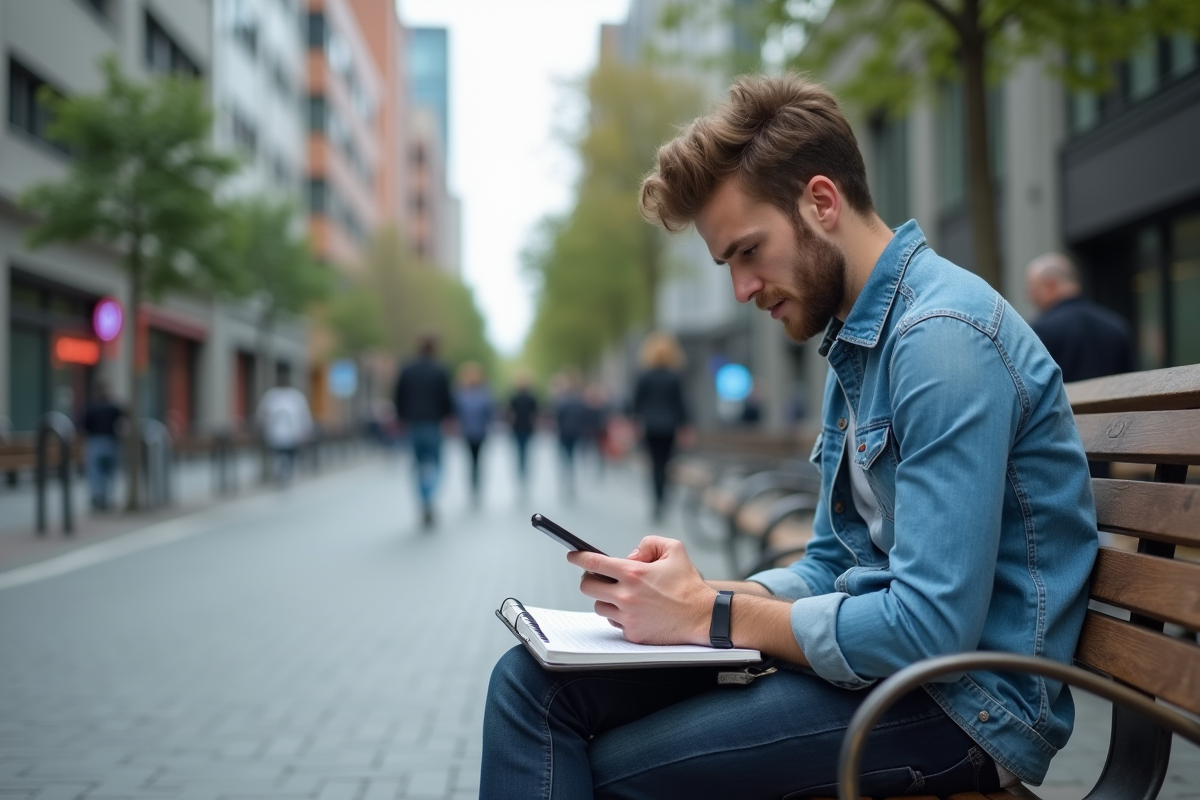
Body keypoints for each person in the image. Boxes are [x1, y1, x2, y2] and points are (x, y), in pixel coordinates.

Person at [481, 73, 1098, 798]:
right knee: (530, 683)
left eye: (748, 251)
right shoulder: (858, 341)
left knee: (616, 770)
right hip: (892, 673)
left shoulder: (941, 342)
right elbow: (832, 562)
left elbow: (930, 629)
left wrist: (711, 615)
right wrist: (694, 591)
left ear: (821, 202)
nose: (742, 289)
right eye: (727, 265)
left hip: (962, 705)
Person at [1026, 252, 1135, 479]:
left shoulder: (1040, 332)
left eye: (1033, 289)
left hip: (1061, 460)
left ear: (1051, 284)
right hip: (1111, 450)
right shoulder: (1117, 326)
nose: (1030, 296)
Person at [393, 334, 454, 528]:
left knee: (418, 465)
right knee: (437, 464)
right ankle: (430, 497)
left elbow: (399, 396)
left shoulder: (407, 369)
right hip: (433, 424)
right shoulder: (440, 370)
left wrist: (401, 418)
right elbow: (447, 398)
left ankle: (423, 498)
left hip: (413, 424)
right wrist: (449, 417)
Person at [631, 332, 692, 523]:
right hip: (670, 427)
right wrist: (685, 427)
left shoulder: (644, 376)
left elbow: (636, 403)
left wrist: (635, 423)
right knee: (666, 464)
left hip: (650, 426)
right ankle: (663, 499)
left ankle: (657, 501)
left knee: (655, 465)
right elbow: (681, 404)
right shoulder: (675, 377)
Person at [255, 373, 313, 487]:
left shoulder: (292, 397)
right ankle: (280, 473)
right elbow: (262, 414)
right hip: (278, 434)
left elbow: (304, 416)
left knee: (286, 455)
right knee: (280, 455)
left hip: (288, 434)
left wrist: (305, 431)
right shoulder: (273, 396)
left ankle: (285, 473)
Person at [454, 361, 494, 508]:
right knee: (472, 462)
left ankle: (476, 488)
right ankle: (474, 488)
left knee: (476, 462)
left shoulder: (480, 393)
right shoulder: (462, 393)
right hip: (469, 433)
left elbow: (489, 413)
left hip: (478, 433)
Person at [80, 380, 124, 510]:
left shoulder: (91, 407)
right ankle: (108, 499)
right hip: (111, 442)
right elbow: (122, 421)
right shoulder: (113, 407)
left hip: (95, 442)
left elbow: (83, 426)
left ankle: (97, 497)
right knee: (110, 474)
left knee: (95, 473)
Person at [553, 371, 587, 501]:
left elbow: (558, 417)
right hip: (575, 432)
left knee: (564, 457)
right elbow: (583, 417)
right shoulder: (579, 402)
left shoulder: (561, 402)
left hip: (564, 433)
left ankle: (565, 480)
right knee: (571, 456)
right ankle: (571, 481)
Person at [508, 371, 539, 493]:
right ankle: (523, 472)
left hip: (519, 428)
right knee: (524, 452)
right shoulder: (531, 397)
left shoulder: (514, 397)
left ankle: (521, 472)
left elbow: (510, 414)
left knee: (520, 452)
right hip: (525, 428)